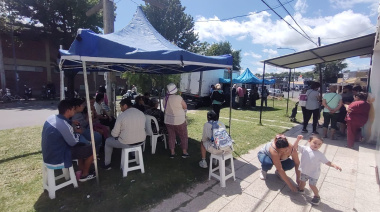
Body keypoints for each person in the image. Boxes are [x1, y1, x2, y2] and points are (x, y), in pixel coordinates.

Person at [41, 100, 96, 182]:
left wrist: (71, 121)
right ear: (68, 111)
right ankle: (85, 175)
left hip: (48, 153)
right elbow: (73, 142)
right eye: (73, 109)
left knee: (82, 148)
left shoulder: (51, 118)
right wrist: (78, 133)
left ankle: (81, 169)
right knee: (91, 149)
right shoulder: (64, 125)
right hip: (58, 156)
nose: (74, 111)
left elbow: (62, 126)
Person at [295, 135, 342, 205]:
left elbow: (327, 162)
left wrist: (334, 165)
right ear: (309, 141)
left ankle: (317, 196)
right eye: (314, 143)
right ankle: (301, 189)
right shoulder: (304, 149)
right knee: (302, 182)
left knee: (312, 185)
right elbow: (295, 146)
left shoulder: (320, 155)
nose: (316, 145)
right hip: (304, 171)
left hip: (314, 174)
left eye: (319, 144)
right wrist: (298, 139)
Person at [103, 98, 146, 169]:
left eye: (121, 106)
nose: (121, 109)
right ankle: (132, 154)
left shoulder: (122, 116)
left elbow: (114, 134)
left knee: (108, 141)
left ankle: (107, 164)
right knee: (132, 136)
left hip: (127, 142)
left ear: (125, 106)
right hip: (141, 141)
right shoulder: (141, 113)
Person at [164, 83, 189, 158]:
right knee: (183, 136)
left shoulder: (165, 98)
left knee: (171, 136)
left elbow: (165, 108)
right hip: (179, 120)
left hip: (168, 120)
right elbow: (185, 106)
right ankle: (184, 152)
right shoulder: (178, 97)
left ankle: (172, 152)